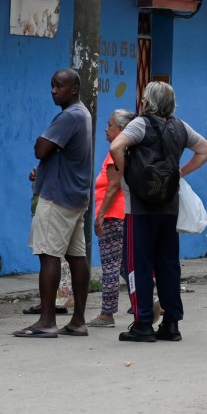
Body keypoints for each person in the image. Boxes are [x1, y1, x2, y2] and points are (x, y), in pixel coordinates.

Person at [110, 81, 207, 343]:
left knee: (139, 264)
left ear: (147, 101)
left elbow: (116, 147)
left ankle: (143, 322)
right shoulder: (180, 127)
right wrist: (181, 172)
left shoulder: (140, 124)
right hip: (169, 205)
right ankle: (171, 323)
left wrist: (125, 173)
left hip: (140, 207)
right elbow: (206, 150)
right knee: (168, 265)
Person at [15, 69, 94, 338]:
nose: (53, 91)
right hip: (76, 196)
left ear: (74, 89)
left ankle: (47, 321)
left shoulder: (69, 116)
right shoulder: (83, 113)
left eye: (59, 86)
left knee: (49, 256)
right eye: (52, 86)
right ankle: (78, 320)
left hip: (57, 197)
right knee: (76, 257)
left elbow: (41, 148)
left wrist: (44, 150)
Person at [88, 109, 135, 328]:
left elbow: (113, 186)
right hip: (123, 215)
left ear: (122, 130)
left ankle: (107, 314)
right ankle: (144, 299)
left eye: (110, 124)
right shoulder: (127, 150)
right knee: (125, 265)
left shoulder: (116, 151)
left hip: (114, 216)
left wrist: (100, 215)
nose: (107, 128)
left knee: (110, 265)